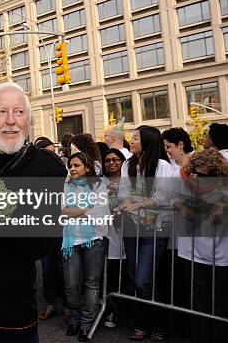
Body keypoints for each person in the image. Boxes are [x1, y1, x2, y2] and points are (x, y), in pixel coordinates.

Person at [0, 82, 67, 342]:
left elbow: (40, 243)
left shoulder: (47, 168)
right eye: (1, 113)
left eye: (19, 112)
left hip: (11, 309)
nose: (11, 121)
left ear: (29, 121)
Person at [117, 125, 175, 341]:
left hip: (155, 231)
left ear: (148, 141)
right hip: (132, 229)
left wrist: (138, 205)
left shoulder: (162, 166)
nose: (130, 141)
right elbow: (124, 191)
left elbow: (164, 196)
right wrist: (127, 204)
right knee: (135, 279)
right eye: (131, 138)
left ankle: (160, 324)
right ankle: (141, 325)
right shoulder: (128, 164)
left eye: (135, 138)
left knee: (144, 280)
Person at [172, 148, 228, 343]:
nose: (196, 178)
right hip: (192, 252)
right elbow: (170, 197)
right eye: (194, 172)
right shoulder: (188, 183)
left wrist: (225, 205)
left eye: (202, 174)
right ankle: (200, 336)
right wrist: (182, 207)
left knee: (222, 298)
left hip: (223, 253)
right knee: (198, 297)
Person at [61, 145, 109, 342]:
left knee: (91, 284)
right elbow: (64, 211)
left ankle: (87, 324)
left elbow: (100, 213)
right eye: (70, 165)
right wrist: (86, 209)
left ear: (87, 168)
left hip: (94, 240)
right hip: (71, 239)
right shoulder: (67, 185)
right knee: (72, 285)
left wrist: (78, 211)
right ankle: (75, 319)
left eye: (76, 165)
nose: (72, 169)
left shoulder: (99, 185)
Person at [101, 148, 128, 329]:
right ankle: (109, 310)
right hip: (106, 234)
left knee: (125, 275)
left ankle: (124, 313)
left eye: (115, 160)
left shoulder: (130, 180)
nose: (112, 163)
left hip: (126, 235)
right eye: (108, 160)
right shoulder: (100, 182)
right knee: (109, 275)